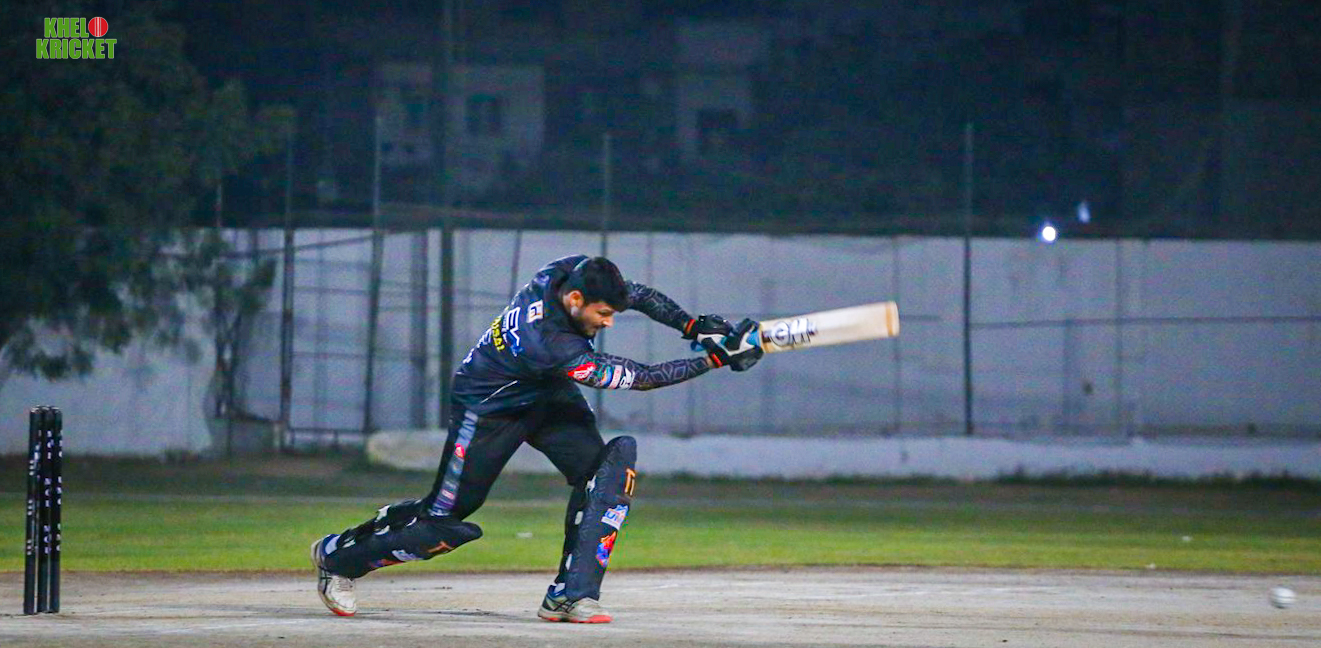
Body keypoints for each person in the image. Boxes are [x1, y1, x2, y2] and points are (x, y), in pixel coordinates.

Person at [310, 255, 763, 622]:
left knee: (605, 472)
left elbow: (638, 295)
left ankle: (570, 596)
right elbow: (640, 377)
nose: (608, 322)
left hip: (545, 394)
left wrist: (692, 327)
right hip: (487, 407)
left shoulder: (567, 272)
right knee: (443, 522)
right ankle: (337, 558)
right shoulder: (549, 342)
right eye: (604, 314)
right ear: (576, 300)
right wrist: (715, 360)